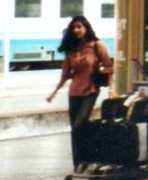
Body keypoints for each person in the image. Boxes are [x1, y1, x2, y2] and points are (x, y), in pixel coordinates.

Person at [46, 16, 113, 168]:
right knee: (75, 130)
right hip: (74, 93)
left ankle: (89, 158)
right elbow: (65, 74)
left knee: (79, 125)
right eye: (73, 28)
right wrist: (54, 93)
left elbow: (109, 67)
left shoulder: (97, 45)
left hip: (90, 90)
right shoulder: (71, 50)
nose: (76, 30)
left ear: (86, 28)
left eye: (79, 27)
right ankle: (78, 164)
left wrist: (111, 89)